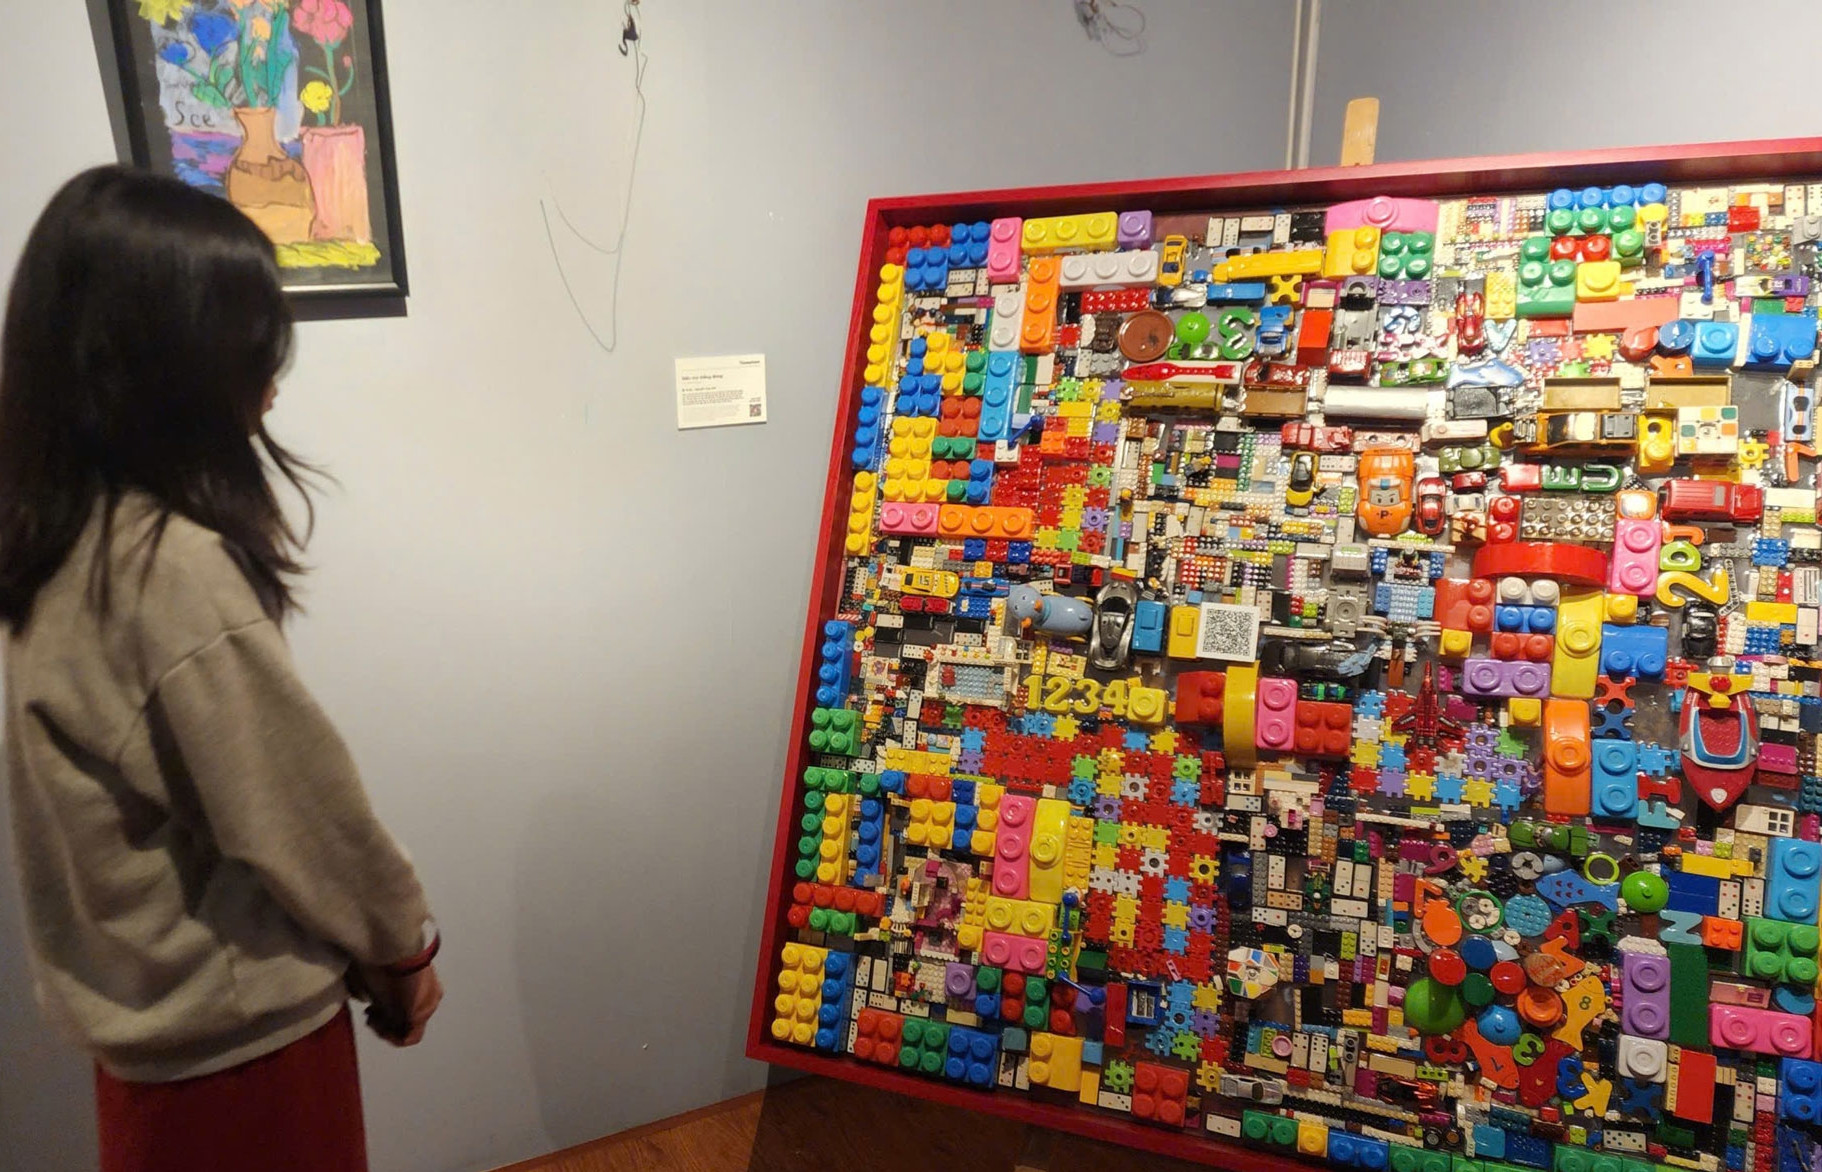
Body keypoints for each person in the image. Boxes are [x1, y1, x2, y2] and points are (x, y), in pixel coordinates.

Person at [0, 166, 442, 1172]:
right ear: (167, 365)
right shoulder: (166, 567)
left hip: (147, 1047)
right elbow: (302, 811)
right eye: (250, 346)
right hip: (242, 1052)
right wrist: (404, 946)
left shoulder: (58, 544)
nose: (273, 376)